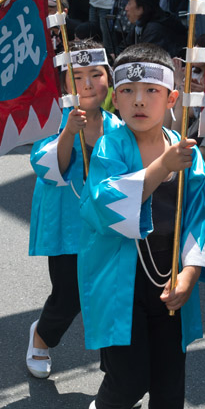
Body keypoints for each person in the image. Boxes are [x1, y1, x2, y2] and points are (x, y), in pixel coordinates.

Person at [79, 43, 205, 409]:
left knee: (169, 377)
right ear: (114, 101)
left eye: (151, 90)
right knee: (128, 375)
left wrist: (190, 274)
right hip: (121, 281)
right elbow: (103, 205)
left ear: (172, 98)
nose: (139, 100)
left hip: (170, 280)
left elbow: (201, 220)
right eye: (128, 90)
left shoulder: (188, 155)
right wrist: (162, 167)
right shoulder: (111, 146)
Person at [26, 41, 123, 378]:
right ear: (65, 83)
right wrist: (69, 132)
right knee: (69, 296)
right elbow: (49, 167)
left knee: (110, 294)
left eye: (95, 74)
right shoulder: (55, 121)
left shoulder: (120, 128)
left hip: (109, 228)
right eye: (76, 75)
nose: (86, 83)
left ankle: (116, 374)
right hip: (69, 224)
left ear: (108, 79)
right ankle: (41, 335)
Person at [121, 0, 185, 56]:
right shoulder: (141, 24)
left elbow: (143, 59)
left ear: (141, 9)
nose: (126, 8)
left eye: (129, 3)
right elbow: (123, 49)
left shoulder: (154, 29)